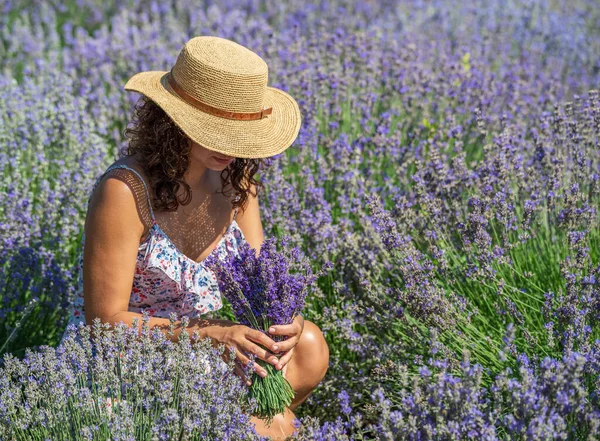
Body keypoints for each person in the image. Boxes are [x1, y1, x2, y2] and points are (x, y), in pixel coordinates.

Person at [60, 36, 329, 440]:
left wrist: (280, 324)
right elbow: (106, 323)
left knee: (308, 344)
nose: (232, 149)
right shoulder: (124, 191)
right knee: (270, 428)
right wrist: (211, 337)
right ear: (174, 119)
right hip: (135, 356)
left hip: (217, 344)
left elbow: (256, 283)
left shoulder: (238, 182)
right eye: (218, 131)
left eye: (240, 134)